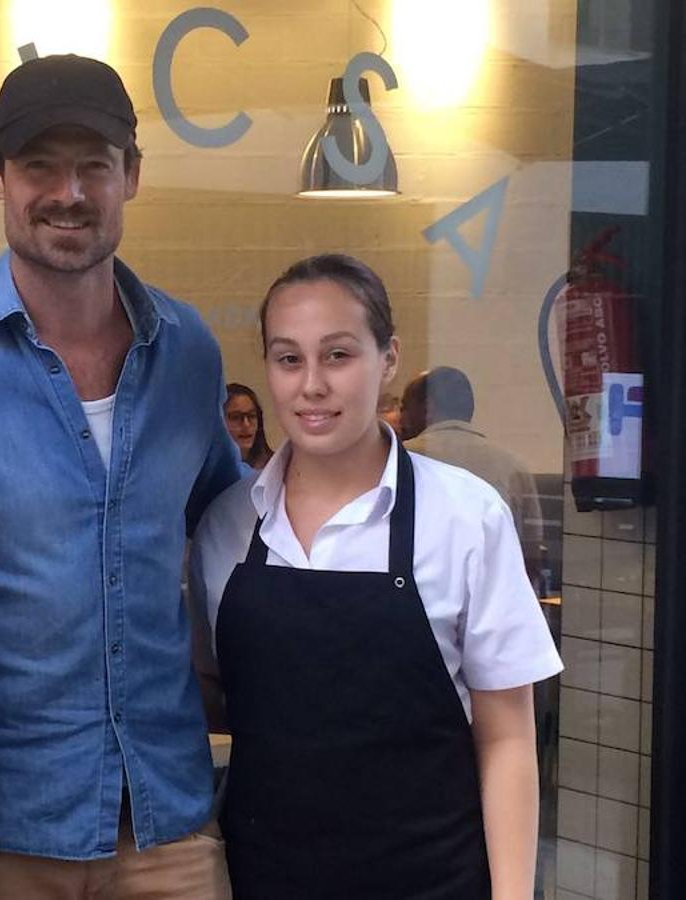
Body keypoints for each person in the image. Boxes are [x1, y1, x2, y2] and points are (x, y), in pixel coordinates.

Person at [0, 54, 239, 897]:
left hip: (168, 826)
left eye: (93, 164)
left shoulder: (189, 353)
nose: (67, 191)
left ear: (130, 176)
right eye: (37, 165)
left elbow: (239, 523)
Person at [189, 254, 562, 898]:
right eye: (288, 358)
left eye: (338, 355)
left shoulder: (466, 516)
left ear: (387, 358)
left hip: (432, 878)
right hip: (265, 876)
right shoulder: (228, 525)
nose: (311, 385)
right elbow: (212, 690)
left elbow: (506, 738)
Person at [400, 365, 544, 573]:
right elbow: (531, 553)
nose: (401, 417)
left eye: (404, 407)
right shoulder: (513, 465)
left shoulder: (402, 459)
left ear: (428, 407)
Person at [224, 383, 273, 472]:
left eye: (251, 416)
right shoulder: (210, 472)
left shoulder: (275, 466)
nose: (246, 424)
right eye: (236, 417)